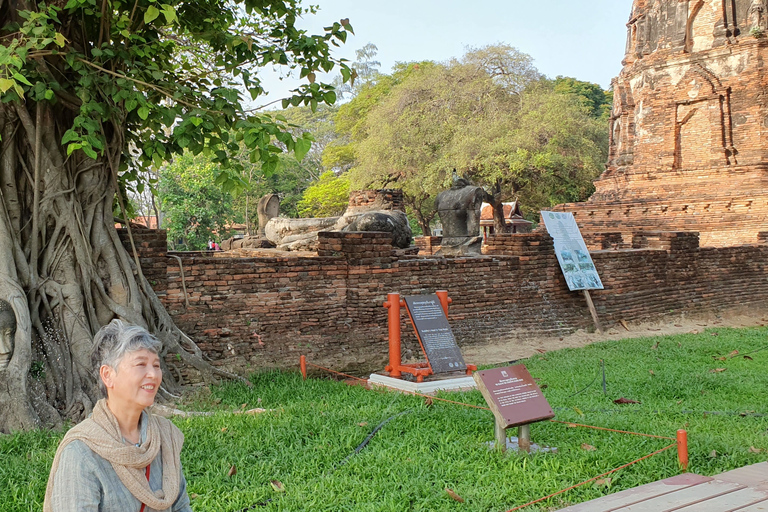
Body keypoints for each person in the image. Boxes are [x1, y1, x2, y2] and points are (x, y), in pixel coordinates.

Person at [44, 320, 192, 512]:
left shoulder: (165, 437)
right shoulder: (81, 451)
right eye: (141, 364)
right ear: (107, 375)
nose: (153, 375)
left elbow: (181, 507)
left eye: (156, 365)